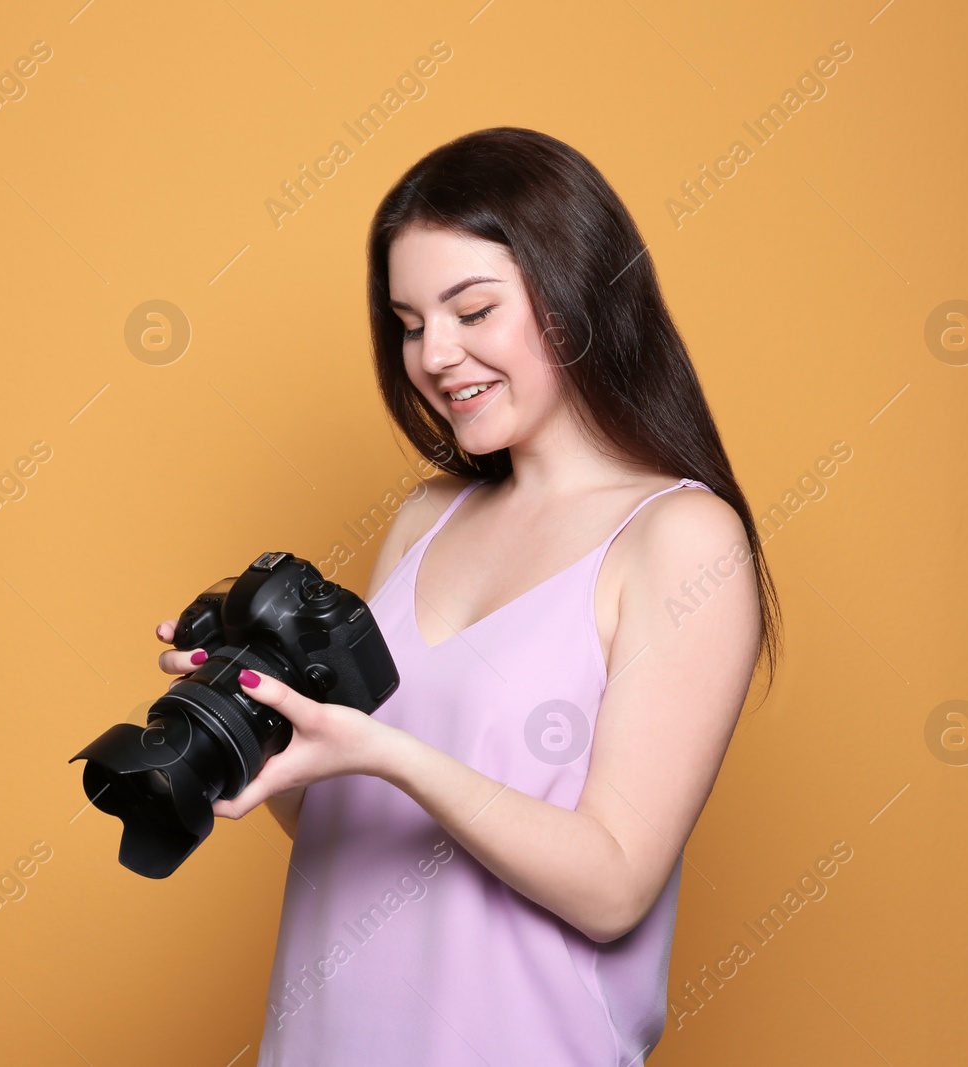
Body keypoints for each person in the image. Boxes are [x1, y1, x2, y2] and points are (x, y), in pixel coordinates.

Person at [154, 127, 780, 1066]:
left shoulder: (679, 539)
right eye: (409, 323)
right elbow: (352, 822)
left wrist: (390, 753)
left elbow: (612, 884)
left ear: (578, 294)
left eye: (472, 310)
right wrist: (257, 722)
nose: (435, 354)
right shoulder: (426, 519)